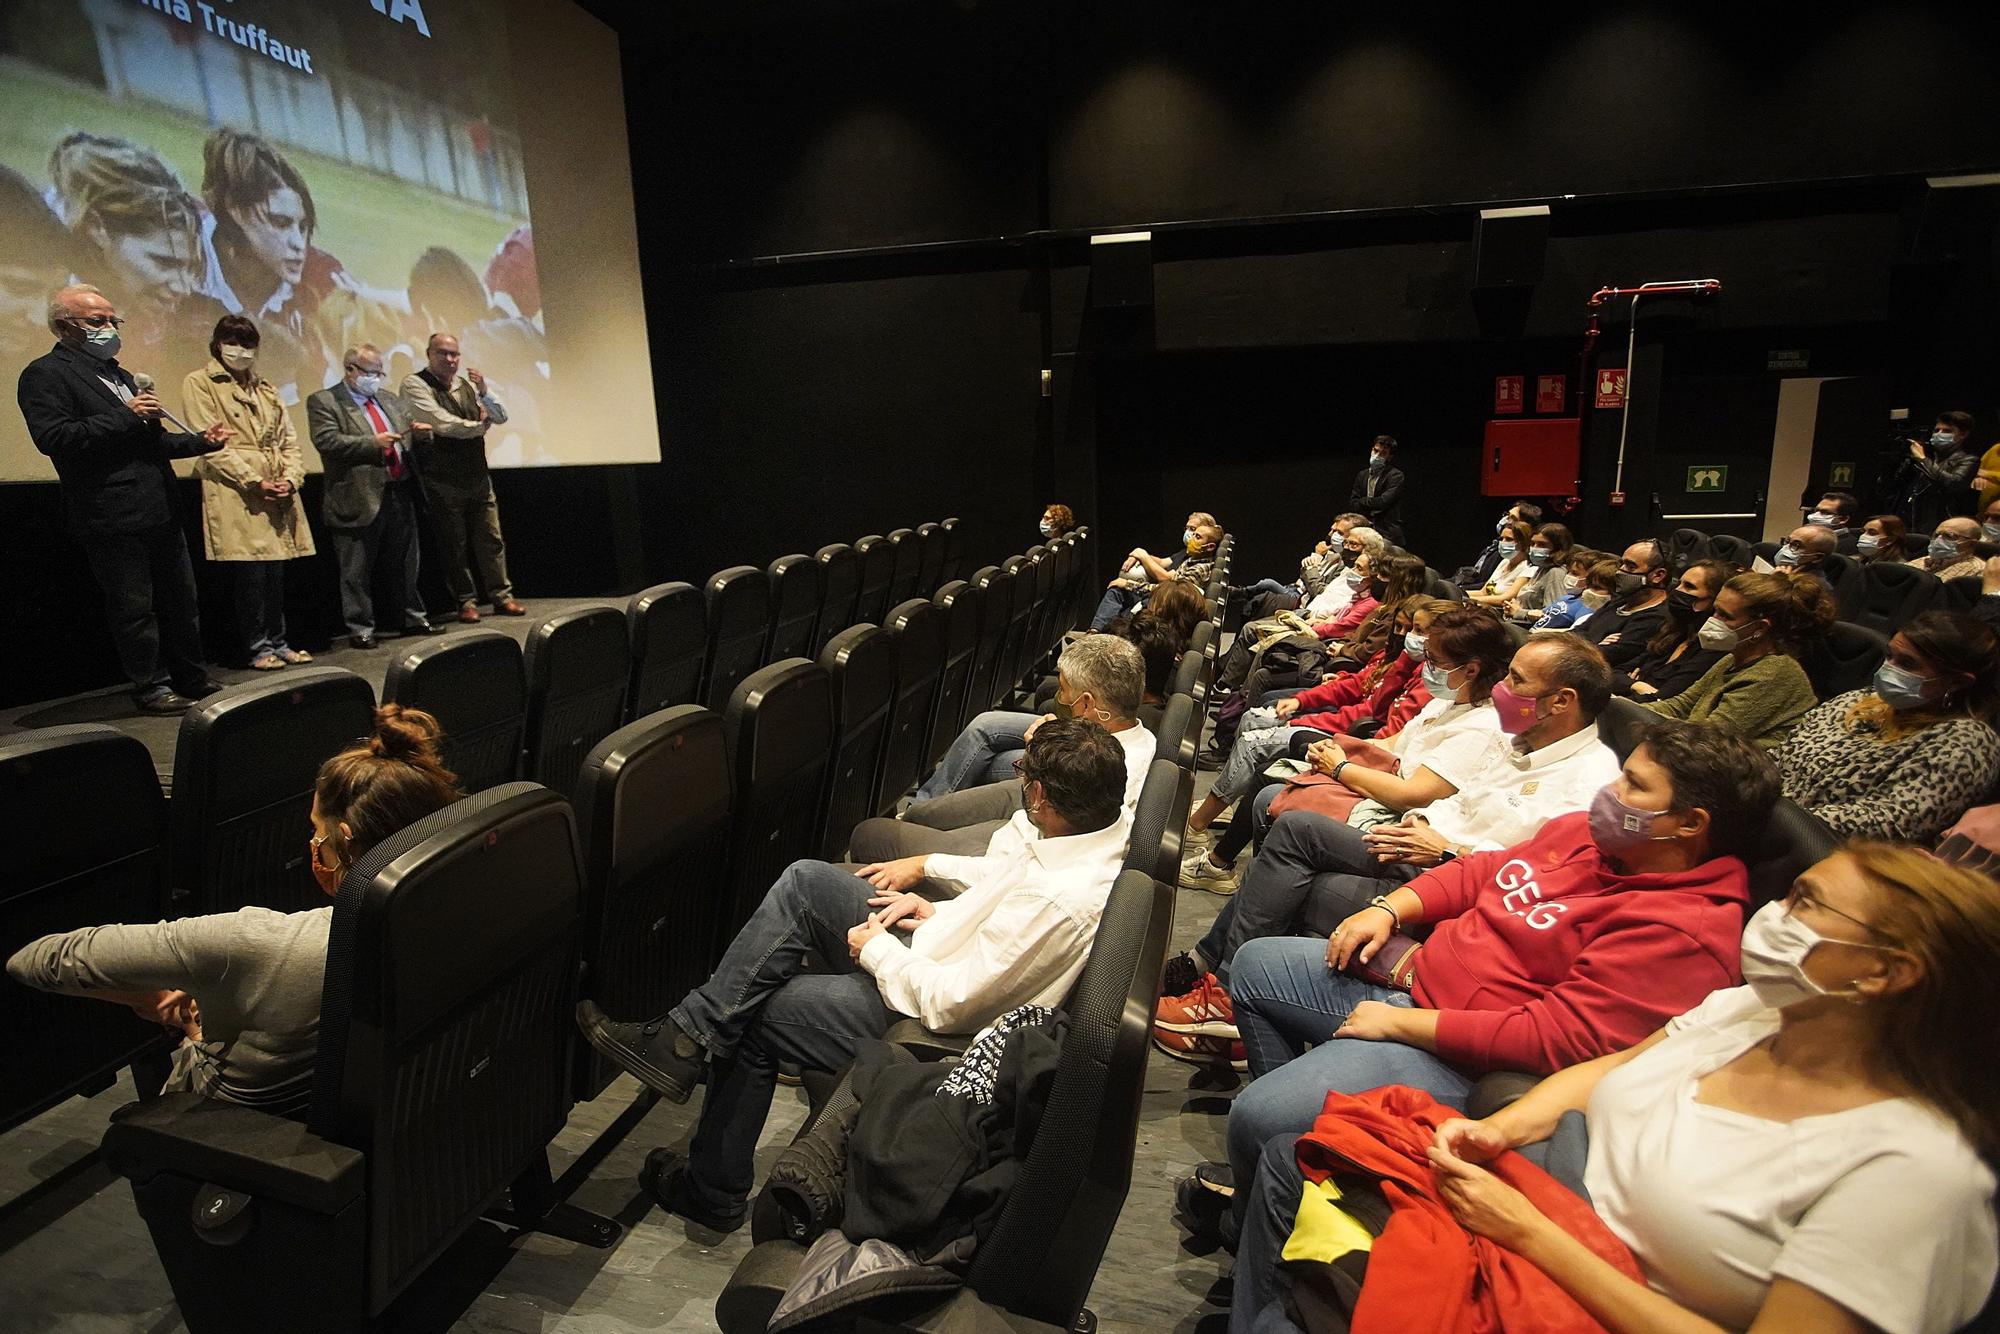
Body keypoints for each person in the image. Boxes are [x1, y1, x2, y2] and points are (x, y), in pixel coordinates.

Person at [1274, 845, 2000, 1334]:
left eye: (1807, 904)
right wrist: (1507, 1128)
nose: (1777, 914)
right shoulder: (1754, 1009)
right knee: (1302, 1161)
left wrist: (1528, 1233)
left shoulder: (1913, 1172)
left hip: (1586, 1289)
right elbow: (1609, 1070)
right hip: (1549, 1203)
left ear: (1885, 973)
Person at [1192, 721, 1777, 1268]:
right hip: (1415, 982)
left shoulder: (1686, 931)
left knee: (1256, 1115)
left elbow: (1556, 1040)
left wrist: (1404, 1026)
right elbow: (1484, 872)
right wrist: (1390, 908)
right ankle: (1305, 1169)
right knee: (1255, 965)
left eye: (1634, 784)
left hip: (1466, 1057)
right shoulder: (1592, 838)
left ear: (1688, 823)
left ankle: (1265, 1228)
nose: (1612, 789)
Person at [573, 719, 1129, 1231]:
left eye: (1022, 777)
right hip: (939, 951)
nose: (1018, 782)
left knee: (764, 1009)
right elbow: (1006, 896)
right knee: (806, 882)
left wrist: (879, 950)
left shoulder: (1059, 900)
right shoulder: (1091, 831)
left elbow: (954, 1005)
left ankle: (711, 1188)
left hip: (933, 1022)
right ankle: (687, 1037)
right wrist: (937, 905)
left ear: (1039, 797)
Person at [1155, 634, 1623, 1061]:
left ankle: (1227, 995)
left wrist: (1447, 852)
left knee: (1296, 875)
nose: (1503, 686)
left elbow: (1534, 880)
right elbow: (1451, 800)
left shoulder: (1587, 785)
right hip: (1410, 844)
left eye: (1517, 680)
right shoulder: (1521, 739)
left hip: (1450, 886)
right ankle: (1223, 987)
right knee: (1294, 829)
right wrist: (1420, 825)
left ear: (1562, 700)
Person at [6, 706, 460, 1113]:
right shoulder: (471, 909)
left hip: (248, 1147)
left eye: (315, 831)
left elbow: (37, 959)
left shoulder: (258, 944)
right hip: (406, 1121)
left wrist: (154, 995)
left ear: (342, 840)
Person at [1178, 605, 1507, 898]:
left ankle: (1217, 857)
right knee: (1273, 772)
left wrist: (1339, 767)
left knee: (1269, 772)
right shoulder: (1444, 698)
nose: (1422, 657)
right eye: (1407, 629)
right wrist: (1337, 749)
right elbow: (1388, 741)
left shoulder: (1478, 727)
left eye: (1432, 657)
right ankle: (1241, 877)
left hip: (1396, 812)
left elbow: (1412, 793)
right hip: (1374, 769)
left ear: (1472, 669)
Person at [17, 285, 231, 712]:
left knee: (181, 601)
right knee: (135, 608)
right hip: (110, 513)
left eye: (114, 320)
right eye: (97, 321)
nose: (110, 329)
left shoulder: (121, 375)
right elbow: (53, 437)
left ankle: (192, 675)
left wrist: (200, 443)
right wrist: (124, 414)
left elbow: (153, 444)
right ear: (64, 327)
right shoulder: (45, 374)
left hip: (161, 507)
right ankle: (151, 686)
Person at [854, 636, 1155, 863]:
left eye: (1064, 690)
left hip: (1020, 847)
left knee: (871, 835)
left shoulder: (1110, 770)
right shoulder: (1140, 739)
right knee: (922, 814)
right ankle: (918, 817)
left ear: (1087, 703)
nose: (1059, 697)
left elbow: (1054, 842)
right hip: (1027, 815)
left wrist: (928, 866)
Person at [1777, 612, 2000, 844]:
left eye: (1907, 663)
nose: (1888, 669)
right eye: (1889, 655)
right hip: (1769, 823)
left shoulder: (1968, 744)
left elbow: (1888, 822)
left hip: (1822, 849)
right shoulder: (1860, 700)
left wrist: (1776, 820)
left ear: (1957, 682)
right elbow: (1782, 754)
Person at [181, 314, 316, 671]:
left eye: (247, 344)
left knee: (276, 572)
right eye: (233, 343)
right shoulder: (200, 382)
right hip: (236, 488)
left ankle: (279, 640)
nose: (240, 351)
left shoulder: (267, 388)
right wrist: (253, 481)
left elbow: (289, 440)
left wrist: (291, 478)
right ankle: (257, 647)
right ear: (218, 345)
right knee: (251, 574)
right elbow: (208, 443)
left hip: (277, 487)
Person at [307, 343, 440, 649]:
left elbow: (406, 437)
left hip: (399, 490)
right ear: (350, 370)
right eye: (371, 372)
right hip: (357, 495)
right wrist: (373, 442)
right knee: (356, 569)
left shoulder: (389, 400)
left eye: (380, 372)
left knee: (408, 561)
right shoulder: (325, 401)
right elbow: (327, 441)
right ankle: (360, 627)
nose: (377, 378)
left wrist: (421, 434)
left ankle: (413, 617)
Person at [401, 332, 524, 622]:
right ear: (429, 354)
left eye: (455, 354)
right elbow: (440, 422)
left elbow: (501, 415)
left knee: (491, 539)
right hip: (441, 478)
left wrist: (484, 390)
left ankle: (501, 597)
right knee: (453, 545)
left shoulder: (468, 385)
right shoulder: (415, 383)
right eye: (443, 353)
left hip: (477, 476)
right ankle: (466, 601)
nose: (450, 359)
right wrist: (478, 426)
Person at [1639, 570, 1832, 749]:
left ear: (1760, 629)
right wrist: (1621, 708)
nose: (1712, 620)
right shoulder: (1734, 658)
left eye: (1725, 616)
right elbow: (1681, 705)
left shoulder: (1775, 675)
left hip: (1735, 774)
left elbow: (1706, 740)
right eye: (1715, 610)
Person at [1616, 558, 1726, 700]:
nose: (1677, 590)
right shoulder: (1673, 633)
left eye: (1689, 587)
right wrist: (1636, 686)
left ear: (1714, 600)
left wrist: (1630, 683)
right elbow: (1614, 673)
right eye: (1679, 583)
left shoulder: (1711, 649)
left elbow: (1663, 700)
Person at [1090, 514, 1222, 630]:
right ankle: (1094, 632)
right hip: (1159, 596)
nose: (1190, 536)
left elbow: (1167, 587)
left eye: (1195, 533)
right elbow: (1162, 562)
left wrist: (1129, 582)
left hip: (1164, 607)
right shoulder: (1190, 556)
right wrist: (1137, 554)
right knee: (1116, 591)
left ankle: (1103, 637)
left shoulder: (1198, 569)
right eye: (1188, 530)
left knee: (1123, 602)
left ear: (1209, 544)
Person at [1573, 539, 1672, 668]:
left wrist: (1591, 643)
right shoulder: (1620, 601)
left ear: (1658, 575)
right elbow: (1577, 632)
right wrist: (1596, 644)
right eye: (1622, 564)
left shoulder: (1657, 616)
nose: (1620, 571)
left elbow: (1608, 655)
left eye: (1631, 567)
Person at [1895, 410, 1978, 534]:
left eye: (1947, 431)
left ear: (1963, 434)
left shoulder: (1968, 460)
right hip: (1908, 520)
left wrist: (1923, 460)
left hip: (1937, 524)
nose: (1939, 434)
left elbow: (1953, 484)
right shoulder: (1927, 456)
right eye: (1937, 430)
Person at [1453, 501, 1544, 590]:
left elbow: (1504, 598)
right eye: (1506, 515)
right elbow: (1486, 591)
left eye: (1512, 517)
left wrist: (1458, 592)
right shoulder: (1504, 561)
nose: (1506, 520)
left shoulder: (1528, 566)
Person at [1505, 523, 1576, 620]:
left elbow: (1554, 615)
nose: (1534, 548)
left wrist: (1519, 612)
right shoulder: (1541, 568)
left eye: (1542, 545)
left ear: (1558, 549)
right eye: (1532, 544)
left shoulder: (1556, 573)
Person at [1529, 550, 1610, 632]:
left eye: (1575, 573)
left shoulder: (1588, 605)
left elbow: (1577, 632)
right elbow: (1540, 615)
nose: (1568, 576)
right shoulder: (1566, 598)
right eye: (1569, 572)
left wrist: (1542, 632)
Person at [1348, 434, 1406, 543]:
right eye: (1376, 451)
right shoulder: (1362, 475)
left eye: (1383, 453)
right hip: (1364, 529)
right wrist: (1368, 503)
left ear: (1389, 457)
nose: (1377, 456)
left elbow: (1383, 502)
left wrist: (1363, 501)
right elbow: (1353, 503)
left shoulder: (1395, 476)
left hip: (1386, 532)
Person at [1467, 519, 1533, 609]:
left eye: (1509, 539)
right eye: (1501, 538)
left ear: (1523, 543)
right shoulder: (1505, 562)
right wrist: (1457, 592)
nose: (1503, 542)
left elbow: (1504, 599)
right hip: (1484, 608)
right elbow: (1484, 592)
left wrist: (1465, 599)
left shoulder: (1528, 568)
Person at [1911, 516, 1984, 581]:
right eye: (1936, 535)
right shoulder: (1923, 560)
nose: (1938, 540)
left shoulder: (1978, 571)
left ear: (1971, 544)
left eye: (1948, 536)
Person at [1768, 522, 1837, 585]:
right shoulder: (1783, 571)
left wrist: (1775, 583)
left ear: (1818, 557)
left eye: (1796, 545)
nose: (1786, 548)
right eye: (1787, 541)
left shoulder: (1815, 587)